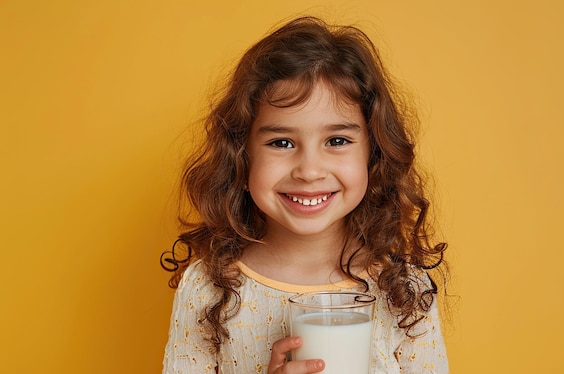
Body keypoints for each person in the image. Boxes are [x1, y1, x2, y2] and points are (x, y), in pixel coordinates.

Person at [161, 16, 449, 374]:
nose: (309, 170)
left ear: (373, 155)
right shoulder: (209, 288)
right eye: (281, 142)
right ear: (241, 156)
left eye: (337, 141)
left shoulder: (403, 289)